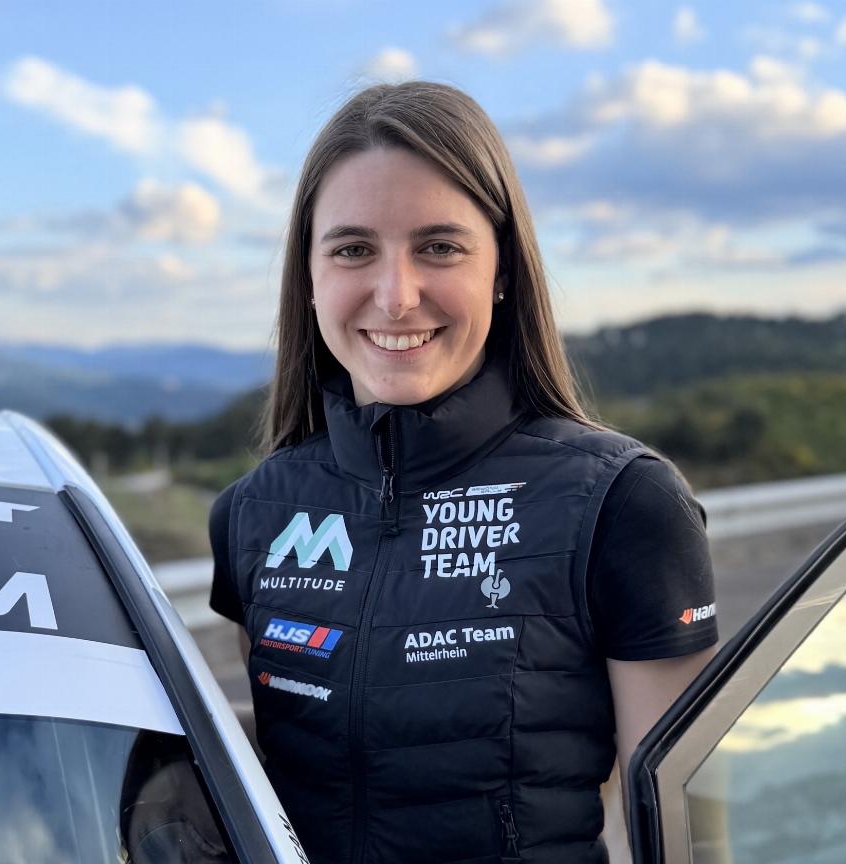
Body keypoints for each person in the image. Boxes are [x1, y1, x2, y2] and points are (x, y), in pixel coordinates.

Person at [208, 81, 717, 864]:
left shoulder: (623, 503)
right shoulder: (254, 514)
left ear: (503, 268)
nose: (395, 296)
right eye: (352, 249)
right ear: (308, 277)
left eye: (439, 247)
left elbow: (685, 836)